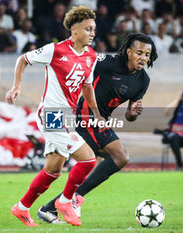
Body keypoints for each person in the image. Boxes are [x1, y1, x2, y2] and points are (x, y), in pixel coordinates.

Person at [38, 33, 158, 223]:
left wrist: (134, 112)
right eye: (139, 52)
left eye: (147, 54)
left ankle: (49, 209)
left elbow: (129, 116)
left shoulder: (143, 80)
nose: (143, 57)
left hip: (101, 121)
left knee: (91, 169)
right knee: (121, 156)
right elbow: (82, 65)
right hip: (86, 116)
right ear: (128, 52)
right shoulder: (105, 62)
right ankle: (73, 199)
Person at [5, 5, 104, 227]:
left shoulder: (91, 56)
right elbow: (23, 59)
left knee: (53, 169)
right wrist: (16, 86)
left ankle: (21, 208)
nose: (92, 33)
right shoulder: (55, 50)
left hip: (67, 116)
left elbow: (87, 87)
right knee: (88, 159)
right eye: (88, 29)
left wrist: (96, 113)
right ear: (74, 29)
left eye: (94, 29)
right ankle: (66, 202)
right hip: (51, 114)